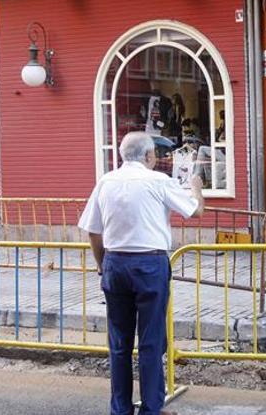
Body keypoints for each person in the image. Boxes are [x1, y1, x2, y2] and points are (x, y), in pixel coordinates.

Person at [78, 131, 204, 415]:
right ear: (148, 156)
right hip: (150, 264)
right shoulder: (158, 181)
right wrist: (196, 186)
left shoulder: (106, 182)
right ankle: (151, 408)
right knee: (150, 341)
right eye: (154, 155)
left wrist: (102, 264)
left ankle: (120, 409)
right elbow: (195, 212)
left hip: (115, 263)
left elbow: (93, 231)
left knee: (119, 343)